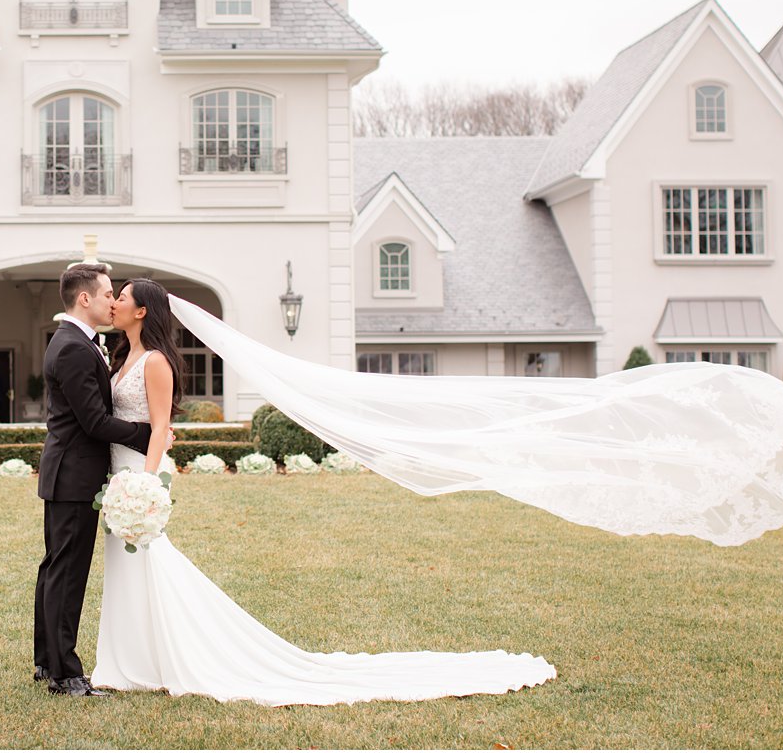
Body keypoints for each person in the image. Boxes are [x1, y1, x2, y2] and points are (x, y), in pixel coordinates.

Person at [91, 277, 557, 705]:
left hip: (139, 475)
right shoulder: (122, 357)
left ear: (143, 312)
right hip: (120, 473)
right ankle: (130, 661)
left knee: (149, 561)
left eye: (123, 298)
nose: (114, 303)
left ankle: (162, 659)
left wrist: (146, 484)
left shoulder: (154, 362)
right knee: (127, 566)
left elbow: (160, 427)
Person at [32, 263, 159, 698]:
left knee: (56, 568)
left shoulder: (80, 343)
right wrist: (144, 434)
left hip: (69, 473)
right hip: (73, 476)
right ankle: (65, 674)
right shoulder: (71, 346)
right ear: (84, 298)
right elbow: (93, 422)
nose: (112, 300)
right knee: (65, 573)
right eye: (107, 293)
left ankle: (47, 661)